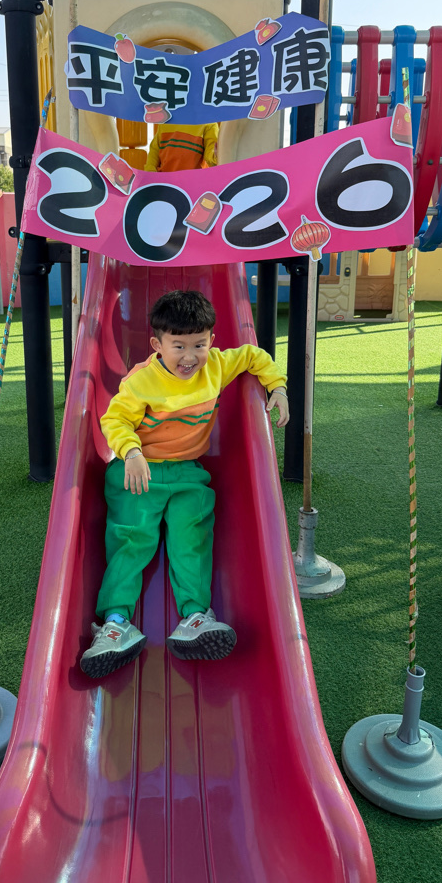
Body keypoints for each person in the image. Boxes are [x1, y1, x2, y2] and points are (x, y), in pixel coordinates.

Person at [80, 290, 289, 679]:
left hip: (188, 472)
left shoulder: (217, 365)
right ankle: (115, 624)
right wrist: (131, 452)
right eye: (179, 346)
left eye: (199, 344)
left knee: (190, 539)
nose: (190, 356)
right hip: (139, 470)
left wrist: (277, 387)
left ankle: (194, 616)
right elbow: (115, 419)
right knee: (131, 540)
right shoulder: (143, 380)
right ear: (157, 345)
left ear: (211, 340)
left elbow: (254, 356)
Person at [144, 123, 218, 173]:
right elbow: (154, 151)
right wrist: (150, 173)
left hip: (194, 182)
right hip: (165, 181)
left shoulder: (209, 123)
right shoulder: (165, 121)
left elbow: (211, 158)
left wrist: (217, 155)